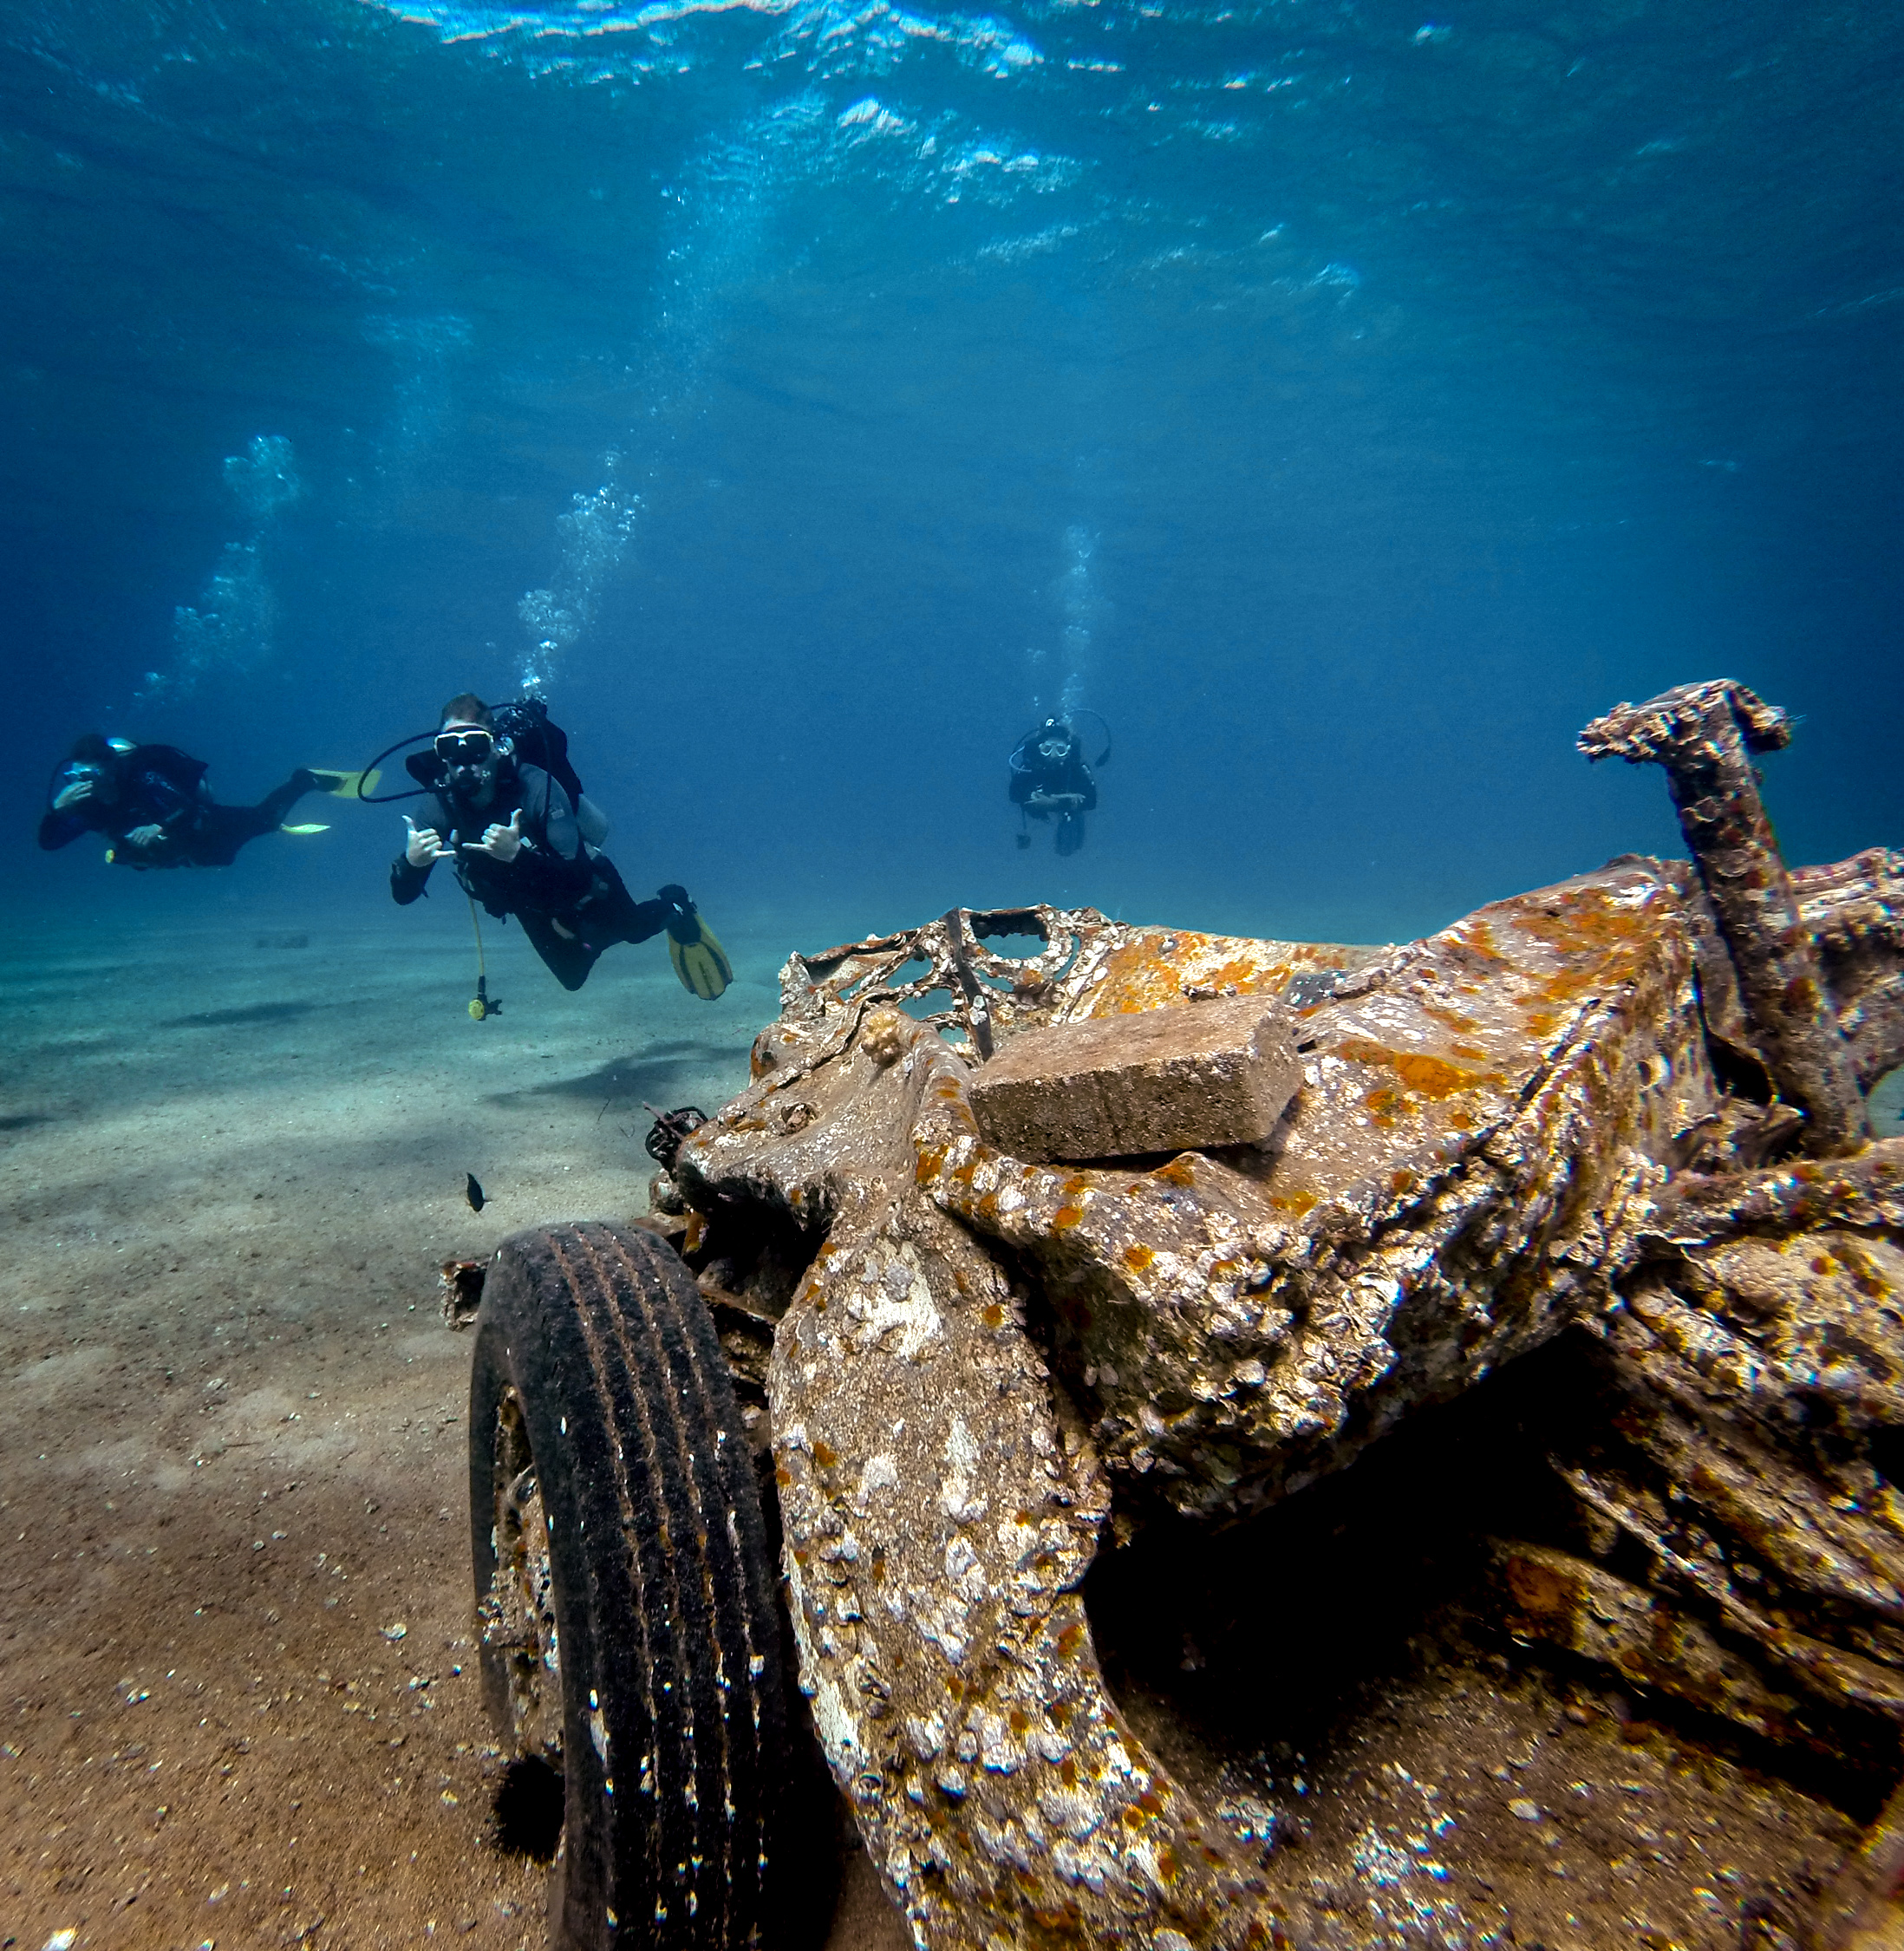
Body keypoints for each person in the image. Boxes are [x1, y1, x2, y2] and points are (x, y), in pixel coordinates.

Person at [389, 694, 731, 998]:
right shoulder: (440, 803)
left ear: (495, 747)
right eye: (451, 748)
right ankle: (588, 938)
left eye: (476, 748)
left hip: (588, 886)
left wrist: (517, 857)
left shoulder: (536, 785)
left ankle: (676, 907)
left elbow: (578, 876)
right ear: (439, 753)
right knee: (572, 978)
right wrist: (411, 864)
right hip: (529, 904)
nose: (465, 764)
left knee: (635, 931)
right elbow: (403, 895)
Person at [37, 734, 349, 868]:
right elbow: (49, 843)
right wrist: (55, 811)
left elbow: (187, 807)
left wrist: (158, 825)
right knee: (217, 860)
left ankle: (305, 780)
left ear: (109, 770)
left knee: (265, 819)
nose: (81, 785)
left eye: (89, 776)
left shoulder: (142, 780)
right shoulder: (84, 807)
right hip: (185, 852)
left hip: (206, 826)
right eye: (74, 778)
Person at [1008, 716, 1098, 857]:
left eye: (1060, 750)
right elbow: (1014, 794)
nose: (1053, 755)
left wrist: (1054, 803)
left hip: (1067, 809)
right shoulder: (1030, 766)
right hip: (1042, 809)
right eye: (1047, 749)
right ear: (1039, 749)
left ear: (1068, 750)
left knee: (1068, 848)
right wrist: (1031, 798)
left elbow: (1092, 801)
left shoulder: (1077, 768)